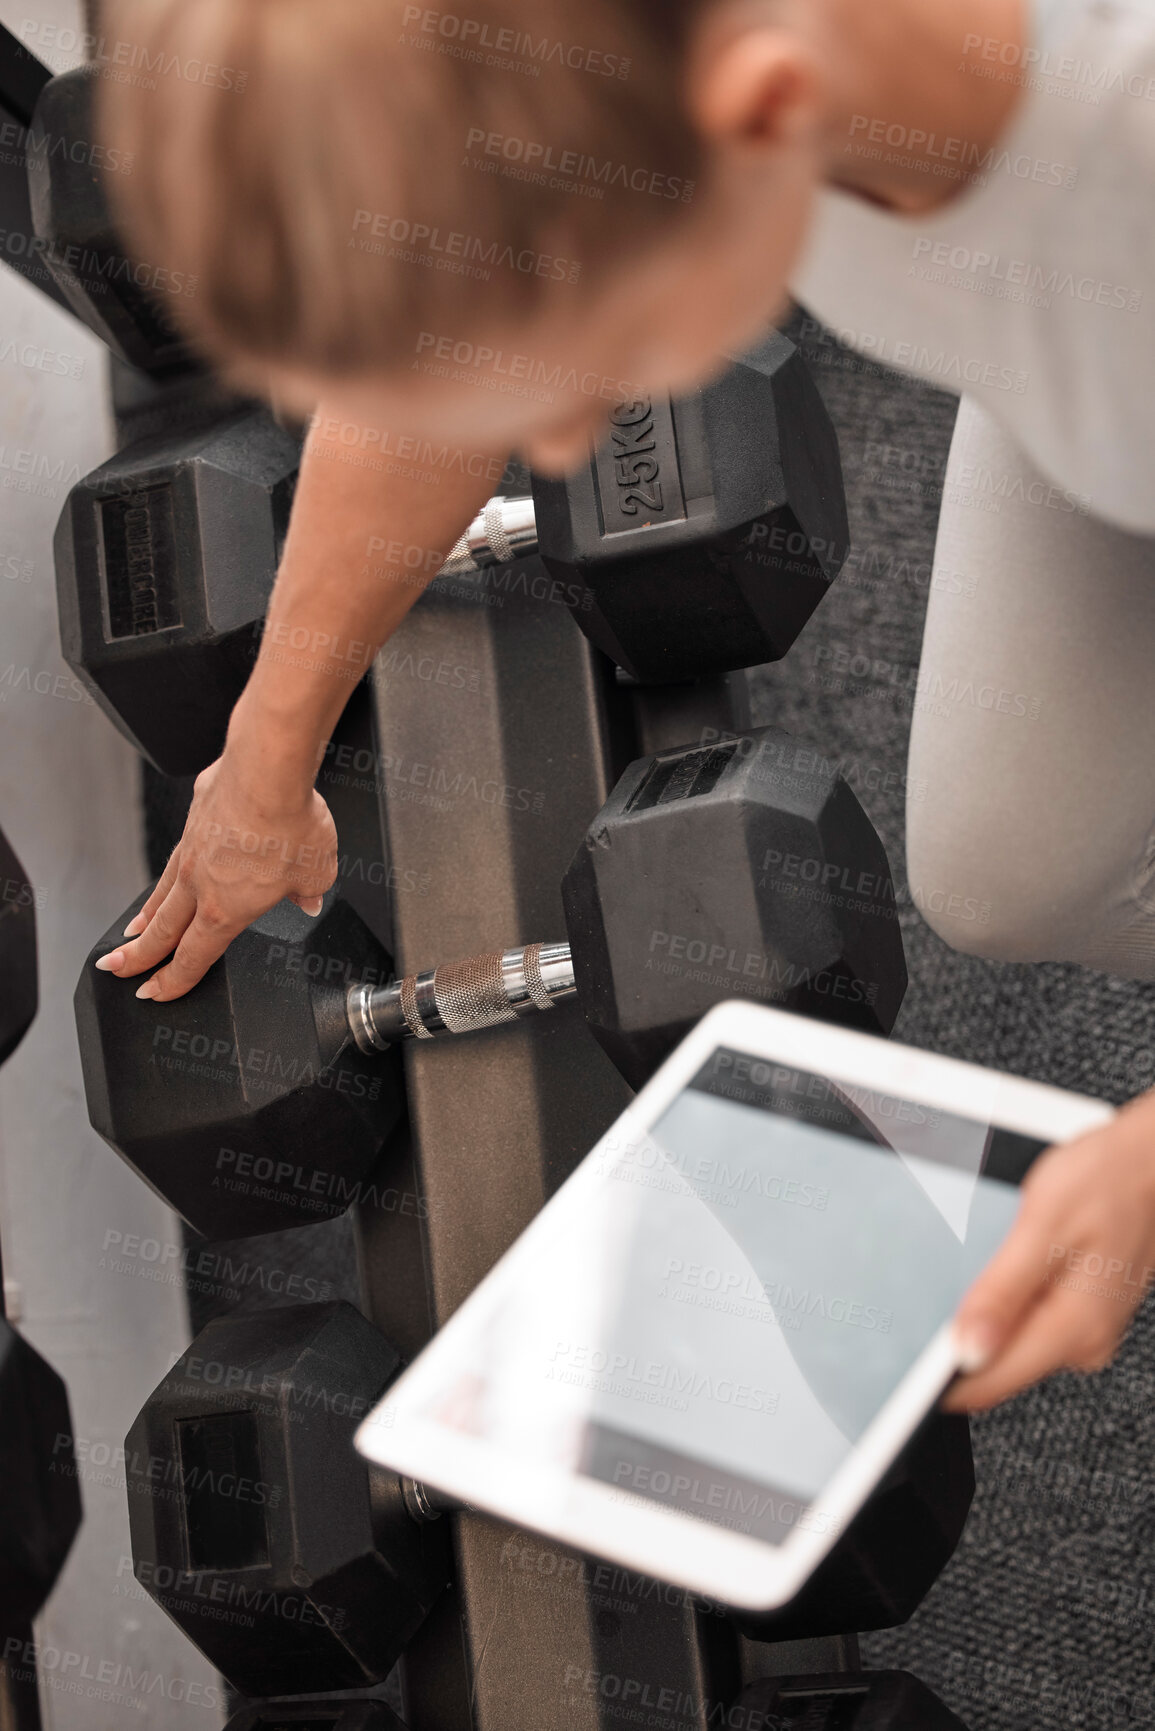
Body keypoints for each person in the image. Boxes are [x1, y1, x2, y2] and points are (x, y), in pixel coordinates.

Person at [90, 0, 1155, 1412]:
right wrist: (263, 763)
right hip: (1071, 364)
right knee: (1003, 874)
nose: (558, 444)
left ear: (765, 107)